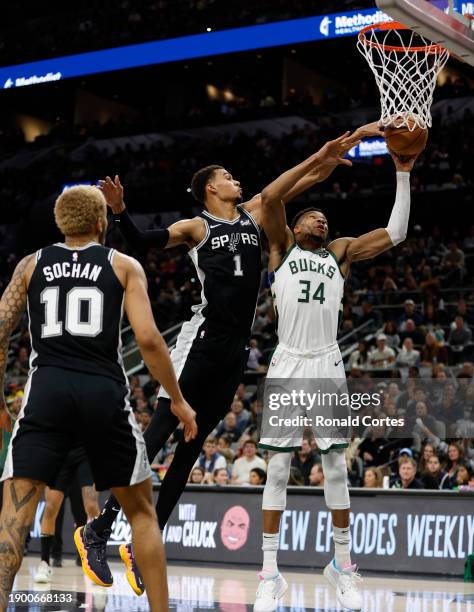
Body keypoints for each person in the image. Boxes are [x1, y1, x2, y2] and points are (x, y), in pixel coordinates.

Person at [78, 134, 361, 592]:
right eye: (226, 176)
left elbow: (298, 183)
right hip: (202, 340)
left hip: (234, 352)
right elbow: (143, 241)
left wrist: (327, 159)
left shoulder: (252, 213)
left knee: (189, 453)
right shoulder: (196, 227)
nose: (234, 179)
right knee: (159, 434)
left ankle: (141, 542)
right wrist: (119, 211)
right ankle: (99, 528)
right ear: (210, 188)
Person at [0, 186, 197, 612]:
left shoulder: (31, 266)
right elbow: (147, 339)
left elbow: (0, 330)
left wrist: (0, 402)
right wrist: (177, 399)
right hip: (102, 391)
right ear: (100, 223)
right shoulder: (123, 265)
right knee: (142, 513)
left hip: (46, 391)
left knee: (14, 519)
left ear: (60, 223)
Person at [255, 127, 419, 612]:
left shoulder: (341, 253)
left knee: (334, 467)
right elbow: (269, 198)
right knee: (279, 469)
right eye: (313, 216)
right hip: (287, 361)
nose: (321, 221)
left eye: (325, 218)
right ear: (296, 225)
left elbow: (397, 233)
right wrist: (317, 162)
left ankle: (341, 566)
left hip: (328, 361)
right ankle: (269, 573)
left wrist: (403, 173)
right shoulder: (281, 247)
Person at [34, 448, 100, 584]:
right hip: (59, 450)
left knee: (90, 506)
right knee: (51, 506)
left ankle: (97, 561)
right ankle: (45, 561)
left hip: (84, 451)